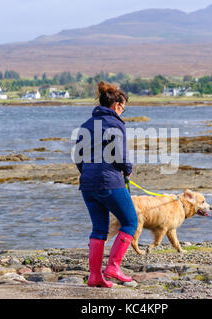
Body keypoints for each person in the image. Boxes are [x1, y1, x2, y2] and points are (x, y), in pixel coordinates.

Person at [74, 81, 138, 288]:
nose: (123, 112)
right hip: (109, 180)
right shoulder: (115, 124)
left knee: (99, 229)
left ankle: (94, 277)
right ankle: (113, 267)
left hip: (88, 184)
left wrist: (88, 174)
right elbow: (120, 155)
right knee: (130, 222)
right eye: (123, 108)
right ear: (116, 105)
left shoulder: (85, 125)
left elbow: (78, 157)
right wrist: (127, 169)